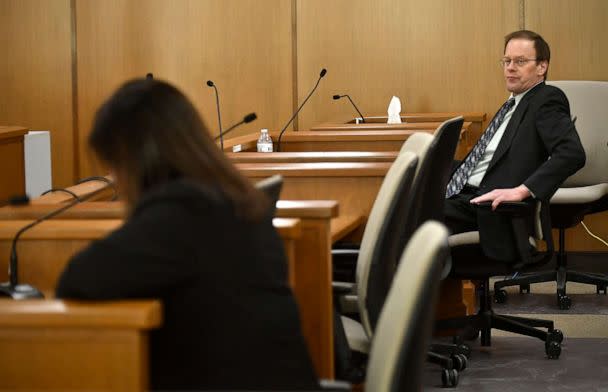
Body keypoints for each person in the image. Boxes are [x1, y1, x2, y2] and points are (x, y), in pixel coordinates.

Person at [55, 79, 319, 391]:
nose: (116, 180)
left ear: (139, 158)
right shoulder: (234, 199)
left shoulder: (181, 212)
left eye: (115, 165)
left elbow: (79, 277)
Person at [444, 30, 586, 261]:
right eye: (507, 61)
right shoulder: (513, 103)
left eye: (520, 61)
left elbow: (572, 154)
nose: (510, 67)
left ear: (542, 67)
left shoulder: (546, 99)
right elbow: (489, 161)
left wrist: (522, 190)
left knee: (412, 216)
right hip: (466, 196)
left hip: (491, 207)